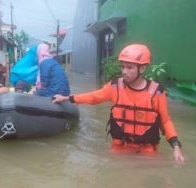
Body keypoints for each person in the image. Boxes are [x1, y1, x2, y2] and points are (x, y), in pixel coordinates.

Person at [52, 44, 184, 164]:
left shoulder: (157, 92)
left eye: (129, 67)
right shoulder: (115, 87)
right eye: (122, 66)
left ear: (142, 68)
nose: (124, 71)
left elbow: (166, 122)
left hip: (147, 151)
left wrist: (176, 147)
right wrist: (68, 98)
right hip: (120, 149)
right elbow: (94, 97)